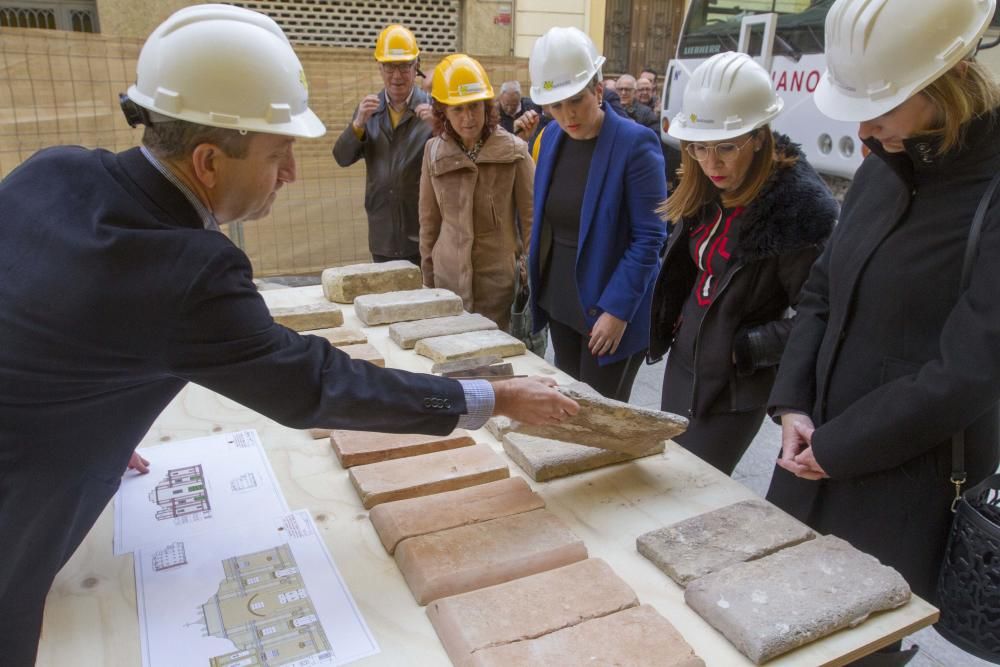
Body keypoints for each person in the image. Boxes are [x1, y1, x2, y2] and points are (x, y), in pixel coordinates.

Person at [0, 7, 578, 665]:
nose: (291, 175)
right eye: (280, 155)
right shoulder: (190, 270)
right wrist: (493, 398)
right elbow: (320, 383)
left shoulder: (52, 170)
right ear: (209, 161)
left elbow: (45, 328)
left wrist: (94, 416)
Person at [766, 0, 1000, 640]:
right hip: (811, 454)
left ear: (946, 83)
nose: (865, 130)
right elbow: (820, 293)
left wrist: (839, 448)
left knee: (857, 644)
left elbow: (970, 372)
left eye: (883, 106)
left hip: (900, 484)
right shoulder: (884, 166)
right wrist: (792, 406)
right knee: (774, 618)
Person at [648, 52, 837, 475]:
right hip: (684, 362)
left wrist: (746, 348)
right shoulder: (702, 180)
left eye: (726, 147)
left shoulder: (799, 209)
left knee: (694, 488)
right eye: (698, 147)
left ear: (758, 136)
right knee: (666, 473)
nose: (711, 163)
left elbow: (821, 314)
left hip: (735, 384)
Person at [527, 26, 668, 401]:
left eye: (575, 100)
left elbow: (650, 237)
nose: (567, 114)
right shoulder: (553, 137)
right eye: (555, 106)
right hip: (561, 301)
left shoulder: (635, 144)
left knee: (600, 417)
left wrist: (618, 310)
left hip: (609, 307)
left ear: (597, 86)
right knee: (569, 409)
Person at [419, 55, 534, 330]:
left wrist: (528, 272)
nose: (468, 118)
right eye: (457, 109)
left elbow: (532, 219)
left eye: (474, 107)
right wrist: (428, 280)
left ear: (487, 106)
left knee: (498, 367)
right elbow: (428, 223)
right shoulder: (433, 153)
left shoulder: (515, 152)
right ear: (443, 111)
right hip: (448, 285)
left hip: (498, 288)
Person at [333, 24, 433, 264]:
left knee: (422, 298)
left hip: (424, 232)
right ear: (379, 67)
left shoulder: (433, 110)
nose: (396, 75)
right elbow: (341, 157)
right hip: (383, 233)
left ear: (416, 65)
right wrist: (357, 125)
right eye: (389, 66)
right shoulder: (368, 111)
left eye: (404, 66)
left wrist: (440, 130)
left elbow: (454, 159)